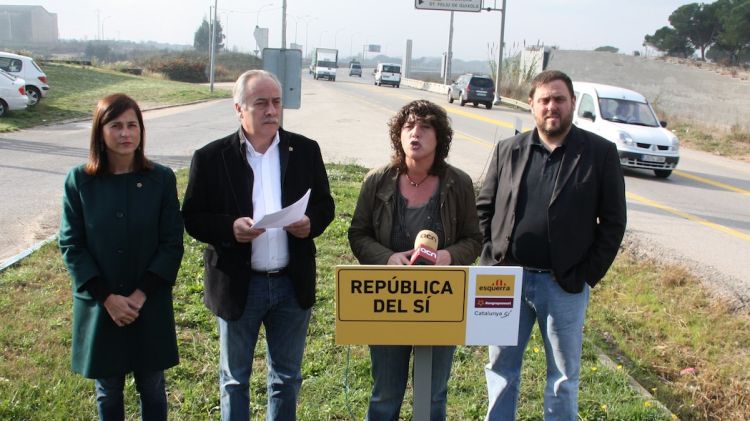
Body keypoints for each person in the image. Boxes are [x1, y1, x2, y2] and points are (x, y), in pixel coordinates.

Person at [182, 69, 335, 421]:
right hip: (240, 285)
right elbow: (192, 217)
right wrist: (229, 228)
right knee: (235, 379)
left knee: (286, 378)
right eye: (261, 103)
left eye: (276, 102)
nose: (271, 111)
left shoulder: (305, 151)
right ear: (239, 109)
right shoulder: (210, 157)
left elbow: (325, 206)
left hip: (290, 284)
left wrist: (310, 223)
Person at [476, 70, 627, 420]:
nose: (551, 107)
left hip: (564, 285)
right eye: (544, 100)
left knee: (562, 375)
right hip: (505, 282)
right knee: (500, 368)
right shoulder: (508, 149)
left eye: (559, 99)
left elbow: (614, 223)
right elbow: (484, 207)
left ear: (573, 103)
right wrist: (494, 256)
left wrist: (586, 274)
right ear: (531, 105)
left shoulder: (599, 153)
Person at [348, 99, 482, 420]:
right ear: (399, 134)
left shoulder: (458, 183)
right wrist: (387, 258)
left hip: (439, 304)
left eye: (424, 127)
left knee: (432, 397)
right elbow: (358, 234)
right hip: (388, 302)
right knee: (385, 394)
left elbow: (474, 239)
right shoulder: (377, 180)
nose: (415, 133)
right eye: (408, 126)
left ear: (440, 137)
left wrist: (450, 255)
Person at [59, 93, 184, 420]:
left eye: (133, 125)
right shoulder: (80, 182)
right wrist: (108, 298)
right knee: (109, 389)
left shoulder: (161, 179)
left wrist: (141, 294)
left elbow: (171, 243)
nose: (126, 133)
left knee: (152, 384)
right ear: (100, 131)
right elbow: (72, 245)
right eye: (116, 125)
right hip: (102, 306)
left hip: (149, 302)